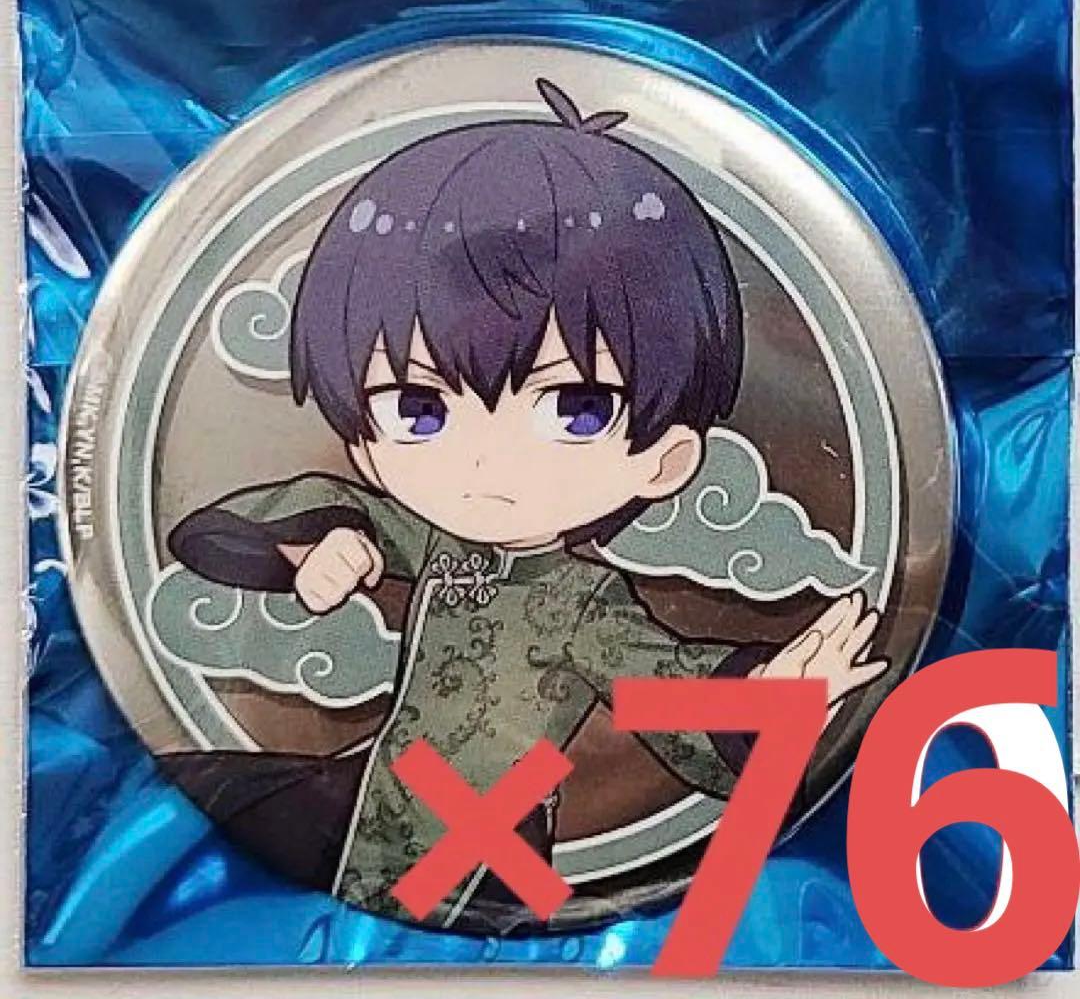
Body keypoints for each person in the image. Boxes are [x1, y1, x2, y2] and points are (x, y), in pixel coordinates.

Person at [170, 79, 887, 932]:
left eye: (576, 409)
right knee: (196, 815)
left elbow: (659, 689)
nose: (484, 459)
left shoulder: (583, 602)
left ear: (666, 460)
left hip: (477, 846)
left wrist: (767, 700)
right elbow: (291, 520)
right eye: (418, 408)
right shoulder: (438, 539)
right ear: (363, 440)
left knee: (420, 947)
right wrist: (314, 548)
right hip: (370, 798)